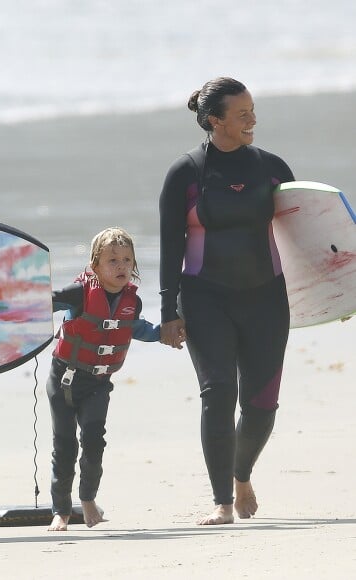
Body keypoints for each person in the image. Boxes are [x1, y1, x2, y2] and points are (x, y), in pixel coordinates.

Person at [158, 77, 295, 525]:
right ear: (215, 120)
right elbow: (170, 245)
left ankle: (241, 475)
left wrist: (332, 291)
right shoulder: (187, 172)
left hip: (266, 298)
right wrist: (168, 311)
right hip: (205, 298)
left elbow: (306, 235)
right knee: (218, 392)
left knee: (262, 404)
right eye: (242, 113)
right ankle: (221, 502)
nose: (252, 119)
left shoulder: (273, 168)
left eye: (253, 109)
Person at [46, 227, 160, 531]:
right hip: (64, 380)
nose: (121, 266)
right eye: (112, 260)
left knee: (94, 442)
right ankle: (61, 510)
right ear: (95, 266)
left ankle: (87, 499)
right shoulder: (79, 293)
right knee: (65, 446)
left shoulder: (130, 302)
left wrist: (166, 334)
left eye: (126, 260)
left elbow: (139, 329)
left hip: (98, 384)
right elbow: (44, 303)